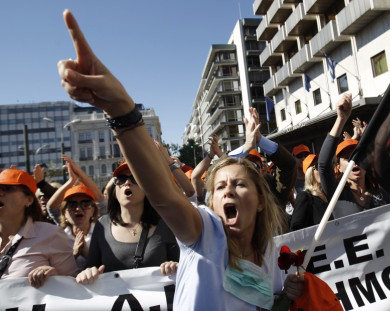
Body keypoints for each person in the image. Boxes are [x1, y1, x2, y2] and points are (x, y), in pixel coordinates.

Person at [57, 10, 303, 309]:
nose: (227, 190)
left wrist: (287, 295)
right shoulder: (205, 232)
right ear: (211, 202)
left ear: (261, 199)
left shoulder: (268, 253)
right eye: (220, 186)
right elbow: (163, 197)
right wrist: (121, 111)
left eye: (239, 184)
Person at [75, 161, 180, 284]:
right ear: (115, 191)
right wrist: (87, 273)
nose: (127, 182)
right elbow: (91, 266)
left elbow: (184, 266)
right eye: (121, 179)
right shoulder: (102, 225)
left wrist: (174, 266)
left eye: (134, 178)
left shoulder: (165, 223)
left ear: (146, 188)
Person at [0, 168, 78, 287]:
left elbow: (74, 285)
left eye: (8, 189)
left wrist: (54, 276)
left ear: (29, 200)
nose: (0, 193)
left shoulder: (51, 234)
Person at [318, 93, 390, 219]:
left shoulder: (382, 191)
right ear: (338, 167)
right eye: (347, 158)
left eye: (358, 156)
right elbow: (323, 164)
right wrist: (341, 119)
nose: (354, 161)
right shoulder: (336, 193)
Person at [290, 154, 331, 231]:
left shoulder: (331, 194)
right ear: (309, 172)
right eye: (317, 166)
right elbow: (296, 228)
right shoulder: (305, 196)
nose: (322, 169)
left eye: (323, 166)